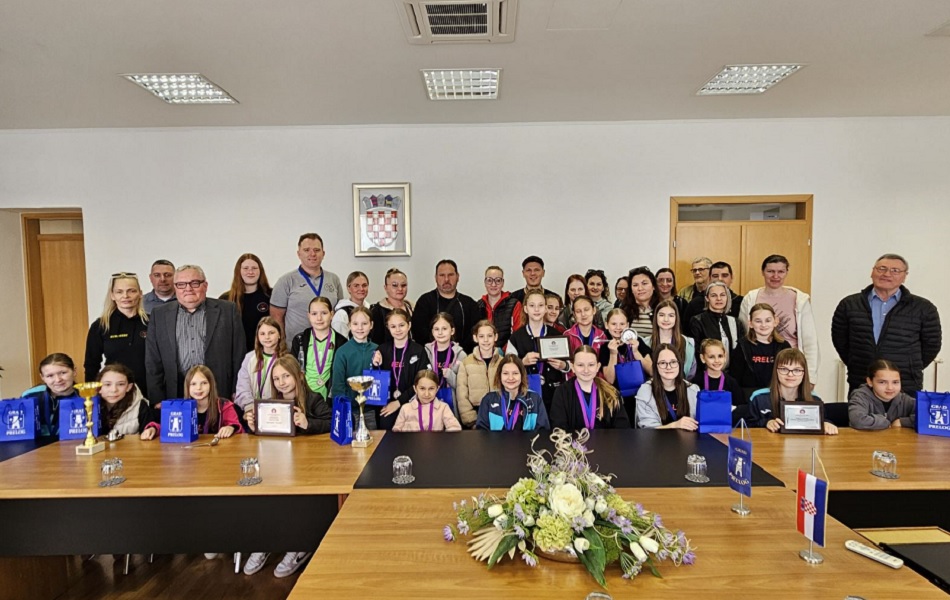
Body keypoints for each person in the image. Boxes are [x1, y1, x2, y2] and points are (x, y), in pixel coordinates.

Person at [243, 355, 330, 578]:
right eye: (276, 378)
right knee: (266, 498)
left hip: (307, 466)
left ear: (299, 376)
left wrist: (309, 423)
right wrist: (254, 426)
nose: (281, 382)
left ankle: (297, 547)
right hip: (277, 463)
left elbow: (331, 422)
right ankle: (266, 543)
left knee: (297, 503)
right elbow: (263, 433)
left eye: (286, 376)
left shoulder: (314, 399)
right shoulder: (270, 403)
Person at [832, 253, 942, 395]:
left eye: (895, 270)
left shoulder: (923, 308)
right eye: (882, 269)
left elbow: (931, 346)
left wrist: (910, 366)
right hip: (861, 381)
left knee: (904, 412)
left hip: (905, 384)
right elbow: (840, 341)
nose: (887, 274)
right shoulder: (849, 304)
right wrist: (857, 363)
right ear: (872, 272)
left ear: (904, 276)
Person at [145, 264, 245, 404]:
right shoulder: (159, 314)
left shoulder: (228, 310)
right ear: (175, 287)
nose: (188, 289)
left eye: (195, 283)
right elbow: (153, 361)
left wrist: (237, 390)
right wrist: (157, 398)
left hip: (218, 390)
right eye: (181, 284)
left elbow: (239, 355)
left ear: (205, 285)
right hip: (175, 392)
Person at [738, 255, 819, 381]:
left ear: (786, 272)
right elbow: (744, 333)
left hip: (791, 369)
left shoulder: (799, 300)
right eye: (770, 271)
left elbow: (810, 341)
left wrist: (811, 376)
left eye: (781, 271)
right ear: (763, 272)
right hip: (757, 367)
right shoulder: (750, 298)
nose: (775, 276)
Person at [270, 233, 343, 341]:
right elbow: (276, 317)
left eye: (317, 250)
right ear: (299, 254)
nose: (312, 254)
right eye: (307, 250)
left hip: (329, 345)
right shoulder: (286, 281)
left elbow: (339, 313)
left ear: (323, 254)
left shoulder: (333, 279)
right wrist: (281, 345)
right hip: (296, 346)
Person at [747, 348, 837, 435]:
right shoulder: (759, 398)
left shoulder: (814, 399)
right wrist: (766, 423)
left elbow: (822, 420)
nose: (790, 374)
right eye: (784, 369)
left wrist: (826, 424)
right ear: (776, 371)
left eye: (797, 370)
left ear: (804, 373)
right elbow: (747, 425)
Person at [141, 365, 243, 439]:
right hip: (189, 454)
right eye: (193, 384)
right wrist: (153, 429)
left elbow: (237, 427)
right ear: (187, 387)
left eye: (204, 383)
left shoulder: (224, 406)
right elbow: (166, 428)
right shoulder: (180, 407)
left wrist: (230, 428)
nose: (198, 388)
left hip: (216, 453)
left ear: (211, 385)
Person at [505, 291, 568, 412]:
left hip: (553, 394)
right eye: (532, 305)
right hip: (525, 393)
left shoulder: (557, 335)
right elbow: (507, 367)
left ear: (545, 309)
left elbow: (569, 365)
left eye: (540, 305)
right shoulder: (516, 337)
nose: (536, 309)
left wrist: (563, 365)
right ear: (526, 309)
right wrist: (522, 362)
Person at [84, 272, 149, 388]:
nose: (125, 296)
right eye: (119, 292)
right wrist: (92, 393)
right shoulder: (101, 325)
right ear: (112, 295)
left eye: (131, 291)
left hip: (149, 388)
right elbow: (91, 364)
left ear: (140, 293)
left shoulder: (152, 322)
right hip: (115, 390)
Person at [372, 309, 431, 430]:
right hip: (387, 406)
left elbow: (422, 382)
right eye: (393, 326)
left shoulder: (418, 350)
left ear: (409, 325)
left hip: (413, 404)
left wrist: (399, 402)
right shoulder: (382, 350)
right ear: (388, 328)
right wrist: (376, 366)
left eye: (401, 325)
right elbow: (377, 382)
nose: (398, 330)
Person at [550, 345, 629, 431]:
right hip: (573, 440)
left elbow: (622, 428)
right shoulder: (562, 392)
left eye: (591, 365)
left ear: (598, 367)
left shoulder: (611, 392)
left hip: (607, 440)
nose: (586, 370)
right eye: (580, 365)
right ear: (573, 367)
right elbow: (559, 428)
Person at [412, 259, 480, 353]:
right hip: (431, 357)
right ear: (436, 277)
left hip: (463, 357)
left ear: (458, 277)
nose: (446, 279)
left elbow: (475, 334)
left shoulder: (469, 304)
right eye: (442, 275)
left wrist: (458, 353)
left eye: (451, 275)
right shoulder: (424, 302)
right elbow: (419, 333)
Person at [330, 306, 379, 430]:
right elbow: (338, 385)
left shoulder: (377, 350)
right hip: (350, 410)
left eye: (364, 323)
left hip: (371, 410)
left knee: (372, 439)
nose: (360, 328)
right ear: (349, 325)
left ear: (371, 325)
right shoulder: (342, 352)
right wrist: (342, 409)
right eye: (355, 324)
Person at [290, 297, 347, 401]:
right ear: (309, 316)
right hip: (303, 397)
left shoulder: (341, 342)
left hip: (329, 399)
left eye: (324, 313)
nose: (319, 318)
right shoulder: (299, 340)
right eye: (314, 314)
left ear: (332, 314)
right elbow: (292, 369)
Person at [474, 355, 550, 431]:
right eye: (505, 373)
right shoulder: (488, 400)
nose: (510, 378)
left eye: (515, 373)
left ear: (522, 375)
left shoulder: (535, 399)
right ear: (499, 375)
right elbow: (482, 433)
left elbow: (543, 432)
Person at [600, 308, 652, 418]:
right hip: (617, 398)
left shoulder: (637, 342)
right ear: (606, 325)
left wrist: (636, 352)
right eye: (614, 324)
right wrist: (613, 354)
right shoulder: (605, 348)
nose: (618, 328)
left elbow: (651, 370)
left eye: (622, 324)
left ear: (628, 325)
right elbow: (610, 379)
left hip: (640, 396)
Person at [730, 303, 791, 397]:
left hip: (776, 395)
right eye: (758, 321)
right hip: (748, 396)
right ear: (750, 323)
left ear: (775, 321)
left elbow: (789, 374)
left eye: (768, 320)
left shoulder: (784, 346)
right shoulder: (742, 346)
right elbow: (734, 378)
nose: (763, 325)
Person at [634, 344, 699, 430]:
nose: (668, 367)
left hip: (688, 438)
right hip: (657, 438)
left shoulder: (693, 390)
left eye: (673, 362)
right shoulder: (645, 391)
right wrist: (675, 425)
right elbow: (647, 429)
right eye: (663, 363)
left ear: (679, 364)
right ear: (656, 366)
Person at [220, 253, 272, 353]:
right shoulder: (226, 299)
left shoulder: (271, 295)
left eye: (254, 268)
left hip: (265, 352)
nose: (250, 272)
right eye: (246, 268)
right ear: (238, 271)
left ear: (260, 271)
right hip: (236, 353)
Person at [234, 317, 287, 413]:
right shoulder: (249, 358)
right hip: (252, 410)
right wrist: (249, 408)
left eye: (271, 333)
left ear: (279, 334)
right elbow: (242, 387)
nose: (267, 337)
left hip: (277, 411)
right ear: (257, 336)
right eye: (262, 334)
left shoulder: (286, 359)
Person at [456, 320, 503, 428]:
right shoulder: (466, 363)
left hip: (501, 414)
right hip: (476, 415)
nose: (486, 340)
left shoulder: (503, 362)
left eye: (489, 336)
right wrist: (472, 421)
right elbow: (462, 395)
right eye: (481, 336)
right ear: (475, 338)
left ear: (495, 337)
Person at [22, 353, 82, 437]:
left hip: (74, 443)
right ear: (42, 377)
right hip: (37, 444)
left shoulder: (85, 396)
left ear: (74, 371)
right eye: (50, 376)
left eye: (63, 373)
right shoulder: (30, 396)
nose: (58, 380)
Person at [690, 339, 746, 426]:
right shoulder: (696, 382)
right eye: (711, 357)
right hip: (700, 427)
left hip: (725, 426)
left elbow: (741, 408)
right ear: (702, 358)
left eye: (720, 356)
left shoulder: (732, 383)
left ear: (725, 357)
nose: (717, 360)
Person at [848, 359, 916, 430]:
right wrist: (886, 423)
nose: (890, 387)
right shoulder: (860, 397)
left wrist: (902, 422)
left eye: (895, 382)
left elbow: (924, 415)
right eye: (882, 382)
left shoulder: (904, 399)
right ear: (870, 382)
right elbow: (858, 421)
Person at [423, 313, 466, 417]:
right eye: (436, 329)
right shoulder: (425, 352)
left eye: (444, 329)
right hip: (428, 401)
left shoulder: (460, 355)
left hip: (452, 403)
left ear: (452, 331)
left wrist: (450, 375)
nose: (440, 332)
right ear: (432, 331)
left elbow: (462, 386)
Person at [688, 281, 739, 368]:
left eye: (722, 295)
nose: (719, 298)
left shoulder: (735, 322)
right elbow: (696, 352)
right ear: (707, 298)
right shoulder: (697, 321)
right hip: (706, 371)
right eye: (714, 295)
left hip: (731, 373)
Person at [393, 370, 462, 432]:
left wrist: (442, 439)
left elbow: (455, 428)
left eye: (431, 388)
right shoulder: (405, 409)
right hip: (410, 442)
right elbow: (396, 432)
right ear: (415, 389)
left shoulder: (443, 408)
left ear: (437, 389)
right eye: (422, 388)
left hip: (436, 442)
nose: (426, 394)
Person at [96, 363, 151, 437]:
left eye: (120, 384)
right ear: (98, 387)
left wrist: (151, 429)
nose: (114, 390)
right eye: (107, 384)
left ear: (129, 387)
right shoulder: (89, 405)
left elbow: (148, 430)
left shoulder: (140, 405)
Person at [645, 299, 695, 380]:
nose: (666, 319)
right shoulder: (646, 343)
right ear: (655, 317)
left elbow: (690, 373)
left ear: (676, 318)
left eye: (671, 315)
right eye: (661, 315)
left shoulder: (688, 343)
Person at [476, 266, 523, 348]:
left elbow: (518, 334)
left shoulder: (514, 304)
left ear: (502, 283)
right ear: (485, 282)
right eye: (489, 280)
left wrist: (503, 352)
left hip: (508, 353)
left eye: (498, 280)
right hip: (483, 352)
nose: (493, 284)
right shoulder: (478, 306)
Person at [370, 268, 413, 345]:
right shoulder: (377, 312)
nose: (400, 289)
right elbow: (376, 341)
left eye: (403, 285)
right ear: (386, 288)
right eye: (394, 285)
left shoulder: (413, 308)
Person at [623, 267, 660, 339]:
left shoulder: (662, 308)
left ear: (653, 286)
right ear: (631, 289)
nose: (640, 288)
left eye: (644, 283)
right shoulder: (625, 310)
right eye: (635, 285)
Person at [331, 271, 370, 339]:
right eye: (356, 286)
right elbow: (340, 342)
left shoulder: (370, 309)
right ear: (349, 288)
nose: (361, 289)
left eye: (364, 285)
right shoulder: (342, 314)